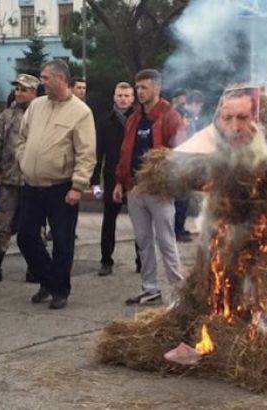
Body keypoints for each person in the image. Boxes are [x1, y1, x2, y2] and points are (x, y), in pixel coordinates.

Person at [15, 60, 96, 310]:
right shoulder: (37, 106)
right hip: (31, 185)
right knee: (26, 237)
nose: (42, 82)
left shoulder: (80, 112)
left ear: (61, 79)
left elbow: (86, 153)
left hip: (61, 188)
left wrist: (78, 186)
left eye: (46, 77)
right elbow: (22, 138)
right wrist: (23, 158)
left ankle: (60, 290)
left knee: (62, 241)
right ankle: (49, 279)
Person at [113, 69, 183, 305]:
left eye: (144, 87)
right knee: (143, 241)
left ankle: (178, 292)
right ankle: (150, 288)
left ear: (157, 88)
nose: (139, 92)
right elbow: (125, 152)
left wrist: (170, 181)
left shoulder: (170, 117)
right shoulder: (133, 119)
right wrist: (120, 182)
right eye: (137, 87)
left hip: (159, 190)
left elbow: (181, 153)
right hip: (135, 189)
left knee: (166, 241)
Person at [0, 74, 40, 285]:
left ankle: (35, 267)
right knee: (2, 225)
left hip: (34, 180)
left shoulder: (40, 114)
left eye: (24, 89)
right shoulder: (7, 115)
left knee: (33, 227)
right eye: (17, 89)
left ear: (34, 92)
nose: (19, 93)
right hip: (10, 179)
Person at [90, 82, 136, 276]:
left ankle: (142, 260)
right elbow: (97, 152)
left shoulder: (138, 119)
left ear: (132, 98)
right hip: (111, 177)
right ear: (114, 97)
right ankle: (106, 260)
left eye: (126, 96)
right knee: (109, 221)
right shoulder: (104, 121)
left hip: (135, 177)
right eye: (119, 95)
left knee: (140, 222)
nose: (123, 99)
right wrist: (94, 180)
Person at [173, 90, 205, 243]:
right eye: (199, 105)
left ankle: (179, 227)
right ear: (195, 103)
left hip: (185, 160)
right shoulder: (183, 114)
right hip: (181, 161)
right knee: (181, 198)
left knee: (183, 198)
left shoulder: (183, 113)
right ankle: (177, 230)